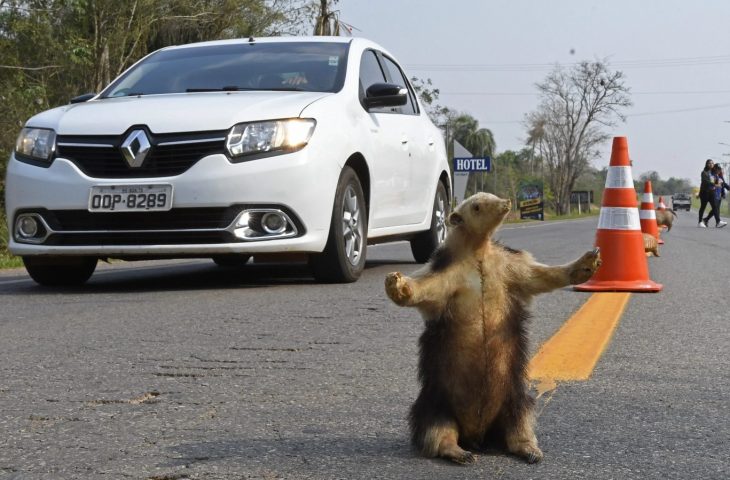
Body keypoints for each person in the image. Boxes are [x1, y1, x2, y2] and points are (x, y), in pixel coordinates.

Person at [698, 159, 726, 228]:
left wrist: (719, 181)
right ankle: (700, 222)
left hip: (711, 192)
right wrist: (715, 185)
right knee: (703, 207)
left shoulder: (713, 173)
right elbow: (706, 182)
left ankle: (718, 222)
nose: (711, 164)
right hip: (704, 192)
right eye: (709, 163)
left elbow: (717, 181)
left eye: (712, 163)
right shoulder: (704, 172)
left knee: (715, 207)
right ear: (706, 164)